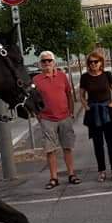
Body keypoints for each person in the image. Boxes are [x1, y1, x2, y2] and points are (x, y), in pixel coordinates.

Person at [33, 50, 79, 189]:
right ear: (40, 64)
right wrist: (39, 116)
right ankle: (54, 178)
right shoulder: (36, 80)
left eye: (49, 60)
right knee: (50, 150)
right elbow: (33, 100)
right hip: (47, 119)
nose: (47, 63)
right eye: (44, 61)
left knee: (67, 147)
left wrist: (71, 112)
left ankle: (71, 174)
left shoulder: (62, 76)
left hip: (64, 117)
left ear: (54, 62)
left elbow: (69, 94)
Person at [79, 50, 112, 182]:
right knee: (97, 143)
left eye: (95, 61)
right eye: (90, 62)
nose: (93, 64)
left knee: (111, 142)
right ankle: (101, 171)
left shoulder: (107, 75)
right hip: (93, 112)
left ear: (101, 63)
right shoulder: (84, 77)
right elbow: (81, 95)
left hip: (107, 110)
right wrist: (86, 106)